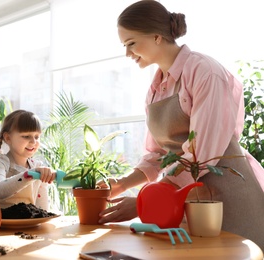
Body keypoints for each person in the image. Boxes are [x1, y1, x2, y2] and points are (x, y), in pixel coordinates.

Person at [98, 0, 264, 250]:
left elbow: (202, 155)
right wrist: (122, 183)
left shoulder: (204, 72)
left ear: (156, 36)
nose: (127, 54)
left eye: (131, 43)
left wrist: (146, 202)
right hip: (183, 198)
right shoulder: (155, 89)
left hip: (226, 196)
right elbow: (157, 155)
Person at [0, 109, 56, 212]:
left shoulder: (37, 166)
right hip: (2, 224)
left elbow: (42, 209)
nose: (33, 141)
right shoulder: (0, 161)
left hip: (28, 224)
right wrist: (30, 175)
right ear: (8, 138)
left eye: (37, 136)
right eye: (26, 136)